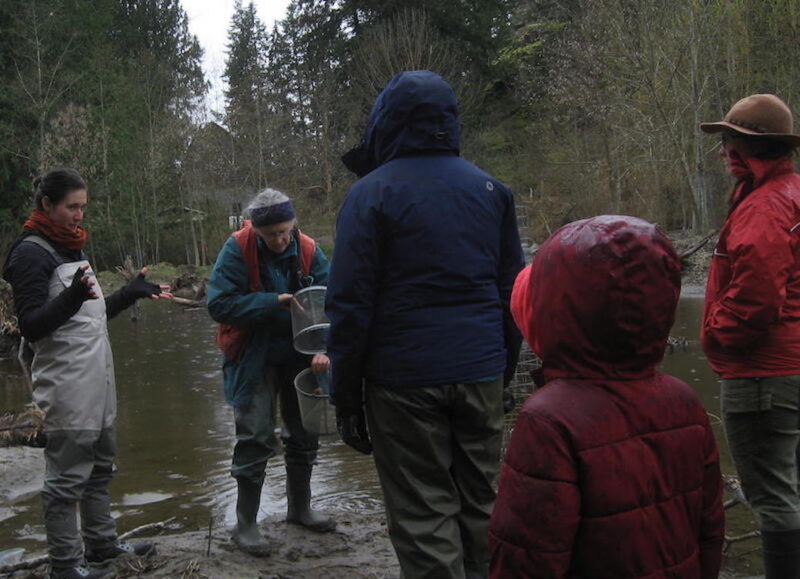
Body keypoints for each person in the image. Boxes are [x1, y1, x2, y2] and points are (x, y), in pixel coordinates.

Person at [326, 70, 524, 578]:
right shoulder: (491, 191)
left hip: (403, 382)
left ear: (388, 121)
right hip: (479, 369)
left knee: (423, 518)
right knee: (482, 505)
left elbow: (349, 306)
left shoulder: (370, 194)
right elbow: (512, 295)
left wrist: (346, 398)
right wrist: (502, 373)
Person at [489, 215, 725, 578]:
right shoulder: (685, 401)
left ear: (558, 312)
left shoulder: (548, 419)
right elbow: (709, 532)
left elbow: (525, 560)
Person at [2, 168, 168, 579]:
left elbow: (89, 317)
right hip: (66, 385)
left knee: (100, 469)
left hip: (99, 379)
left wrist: (128, 294)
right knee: (65, 481)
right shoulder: (30, 254)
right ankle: (64, 567)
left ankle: (102, 548)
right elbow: (32, 325)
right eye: (71, 207)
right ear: (47, 205)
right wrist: (74, 296)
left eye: (83, 207)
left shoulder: (71, 247)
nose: (79, 215)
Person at [700, 93, 800, 578]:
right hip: (788, 367)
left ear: (745, 148)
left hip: (763, 372)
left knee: (771, 493)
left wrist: (716, 338)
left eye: (727, 142)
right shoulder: (790, 193)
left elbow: (757, 300)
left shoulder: (766, 207)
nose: (722, 153)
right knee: (788, 483)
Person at [206, 187, 335, 558]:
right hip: (252, 355)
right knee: (255, 436)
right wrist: (270, 302)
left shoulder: (309, 249)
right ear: (257, 230)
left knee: (305, 431)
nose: (280, 240)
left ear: (293, 225)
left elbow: (335, 301)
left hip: (301, 353)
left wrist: (325, 350)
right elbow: (219, 304)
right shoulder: (237, 249)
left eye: (285, 231)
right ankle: (246, 523)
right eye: (271, 234)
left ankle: (300, 508)